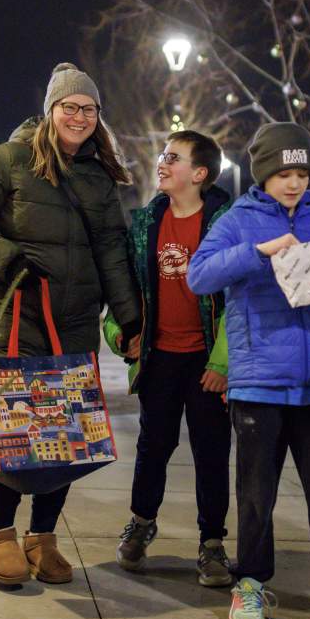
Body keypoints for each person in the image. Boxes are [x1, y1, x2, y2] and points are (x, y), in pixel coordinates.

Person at [188, 121, 310, 619]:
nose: (292, 183)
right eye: (282, 173)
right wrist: (259, 252)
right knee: (255, 494)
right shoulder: (239, 219)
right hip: (257, 382)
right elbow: (199, 275)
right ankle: (249, 587)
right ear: (263, 174)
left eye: (300, 173)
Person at [0, 62, 141, 588]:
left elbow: (111, 250)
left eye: (88, 109)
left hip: (75, 320)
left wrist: (129, 317)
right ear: (50, 111)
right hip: (15, 315)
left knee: (65, 434)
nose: (79, 116)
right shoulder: (9, 160)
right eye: (69, 107)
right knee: (18, 429)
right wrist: (7, 258)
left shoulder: (99, 175)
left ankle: (42, 536)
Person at [103, 130, 233, 586]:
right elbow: (123, 291)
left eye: (172, 158)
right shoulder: (145, 224)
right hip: (159, 359)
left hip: (205, 362)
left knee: (212, 451)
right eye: (162, 155)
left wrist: (222, 363)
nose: (162, 162)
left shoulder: (225, 224)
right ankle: (140, 523)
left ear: (199, 173)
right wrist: (123, 335)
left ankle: (212, 543)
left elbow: (238, 301)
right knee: (152, 446)